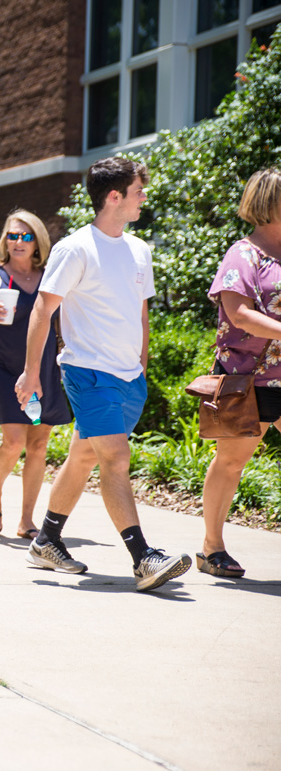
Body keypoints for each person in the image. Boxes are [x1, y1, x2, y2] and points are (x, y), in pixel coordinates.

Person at [15, 157, 191, 591]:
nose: (143, 197)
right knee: (116, 457)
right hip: (87, 370)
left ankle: (46, 540)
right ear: (114, 196)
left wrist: (142, 369)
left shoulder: (139, 250)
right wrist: (31, 373)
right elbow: (43, 308)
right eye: (138, 191)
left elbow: (141, 313)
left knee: (84, 456)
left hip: (128, 377)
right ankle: (143, 557)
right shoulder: (76, 248)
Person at [0, 210, 70, 538]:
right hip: (4, 368)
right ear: (5, 239)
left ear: (37, 241)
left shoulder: (50, 276)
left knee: (38, 444)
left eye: (26, 236)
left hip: (45, 368)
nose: (18, 242)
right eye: (12, 235)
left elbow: (63, 321)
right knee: (13, 442)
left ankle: (26, 520)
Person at [199, 167, 281, 579]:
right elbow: (239, 313)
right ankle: (212, 548)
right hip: (250, 380)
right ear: (270, 203)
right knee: (231, 463)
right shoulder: (243, 254)